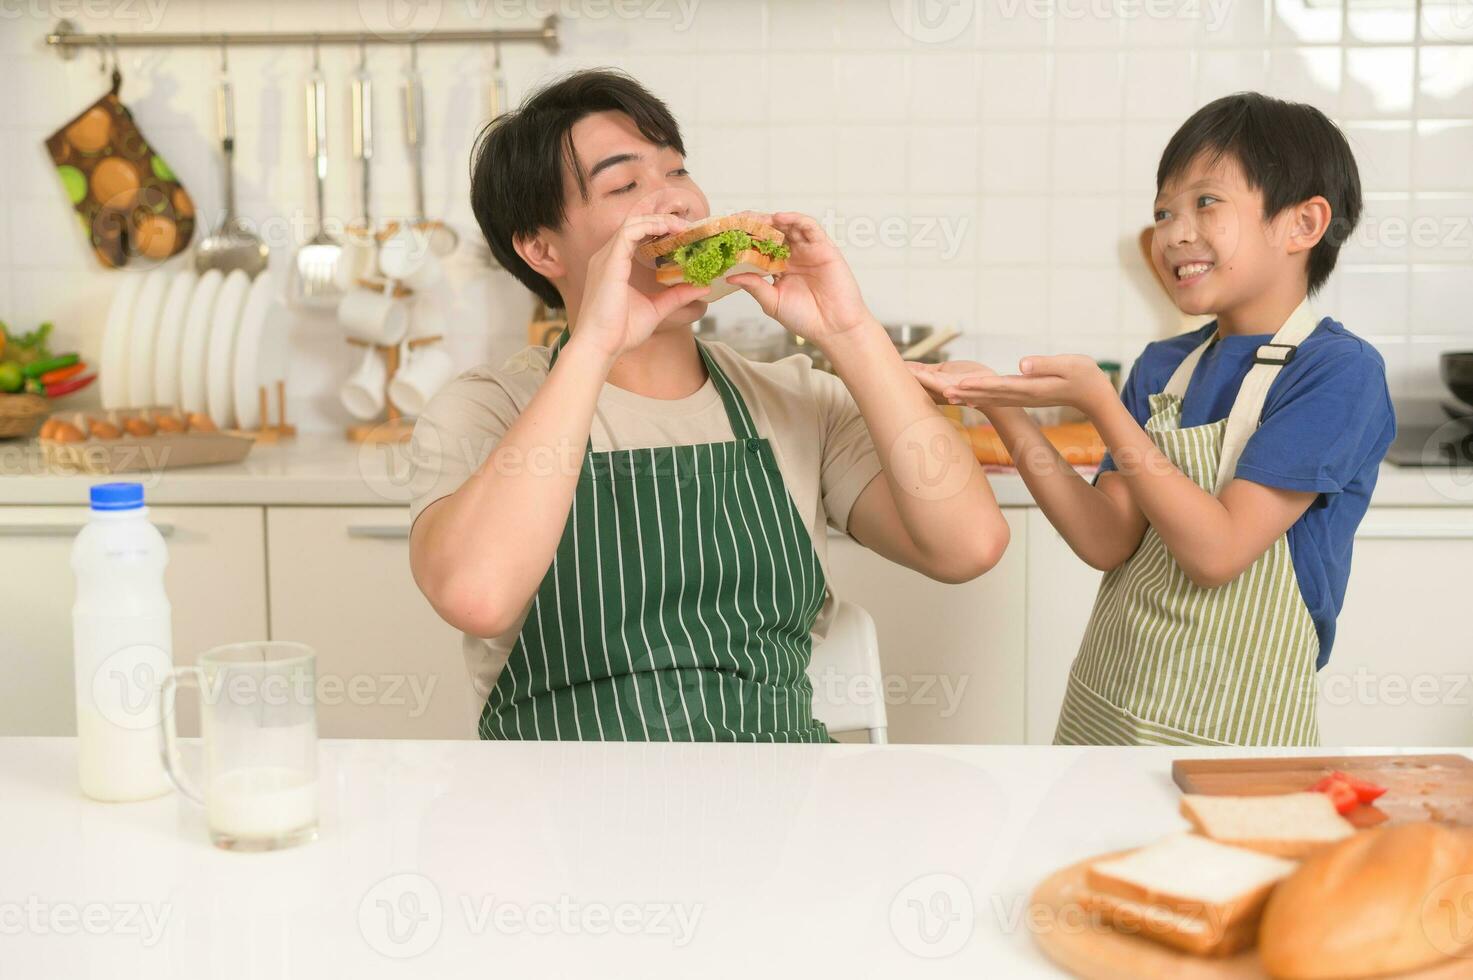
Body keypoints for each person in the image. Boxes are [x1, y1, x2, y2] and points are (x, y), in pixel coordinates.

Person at [408, 69, 1010, 742]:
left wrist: (848, 332)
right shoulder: (485, 410)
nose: (678, 203)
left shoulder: (795, 399)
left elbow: (969, 546)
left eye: (677, 170)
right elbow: (476, 597)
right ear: (541, 247)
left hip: (774, 800)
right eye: (625, 184)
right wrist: (597, 343)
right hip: (554, 815)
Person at [912, 93, 1395, 746]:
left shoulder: (1336, 372)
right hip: (1107, 705)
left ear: (1302, 224)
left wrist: (1101, 406)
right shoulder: (1164, 366)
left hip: (1231, 730)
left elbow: (1216, 552)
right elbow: (1103, 540)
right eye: (1162, 210)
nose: (1172, 232)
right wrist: (1000, 408)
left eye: (1204, 202)